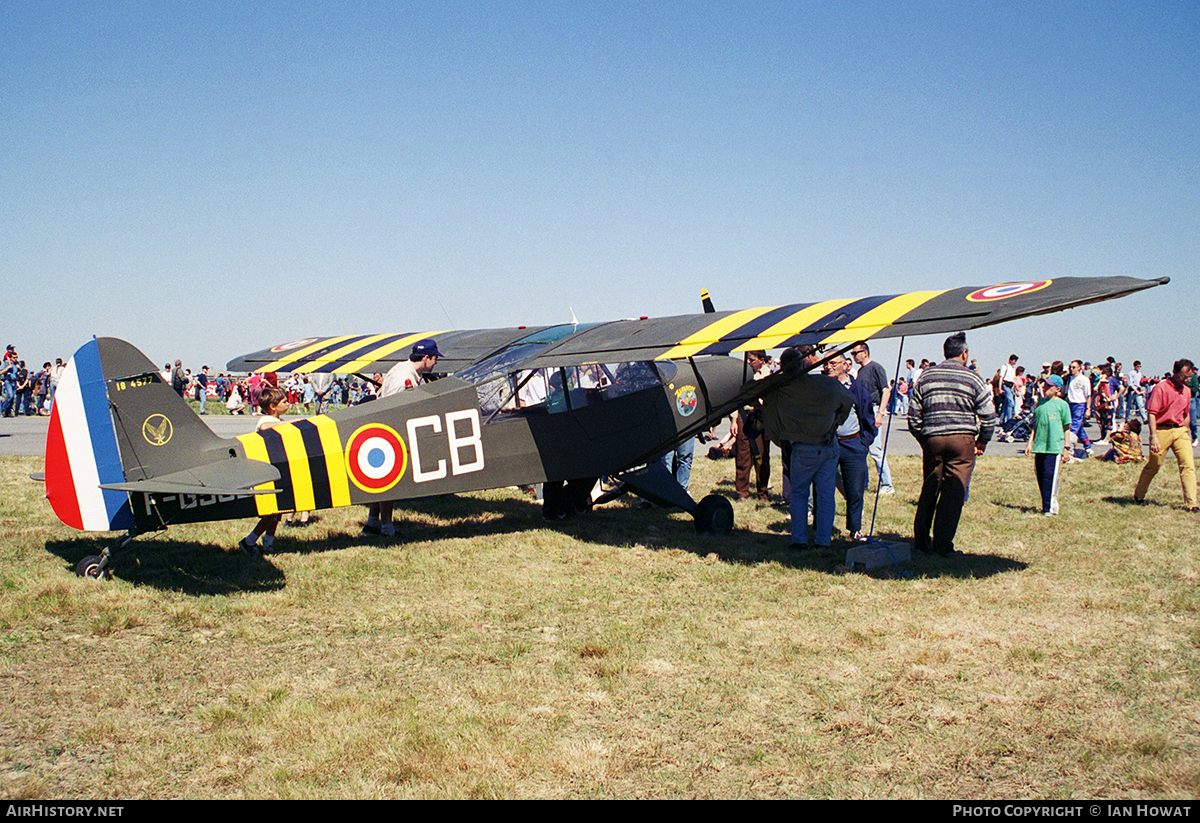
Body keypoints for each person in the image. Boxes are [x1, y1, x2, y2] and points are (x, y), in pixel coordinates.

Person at [907, 332, 996, 556]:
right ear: (964, 353)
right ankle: (943, 545)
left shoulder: (926, 376)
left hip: (933, 439)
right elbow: (989, 415)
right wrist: (982, 440)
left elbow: (914, 416)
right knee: (953, 491)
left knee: (930, 487)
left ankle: (920, 540)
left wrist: (924, 438)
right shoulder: (972, 378)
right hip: (962, 439)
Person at [762, 346, 854, 550]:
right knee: (826, 494)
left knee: (799, 494)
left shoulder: (782, 387)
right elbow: (848, 399)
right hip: (829, 444)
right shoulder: (826, 383)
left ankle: (799, 540)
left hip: (804, 447)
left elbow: (752, 392)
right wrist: (835, 423)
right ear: (803, 363)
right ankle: (823, 541)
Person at [364, 338, 442, 537]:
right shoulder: (404, 378)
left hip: (380, 430)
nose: (436, 363)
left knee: (380, 479)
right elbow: (394, 410)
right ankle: (387, 528)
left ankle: (373, 522)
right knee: (389, 480)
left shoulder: (401, 369)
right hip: (389, 432)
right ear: (426, 358)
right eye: (435, 359)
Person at [1133, 359, 1196, 511]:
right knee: (1155, 465)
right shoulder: (1160, 388)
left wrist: (1185, 431)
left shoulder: (1186, 390)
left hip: (1180, 430)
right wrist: (1153, 436)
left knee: (1188, 465)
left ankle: (1192, 504)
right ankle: (1139, 495)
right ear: (1174, 373)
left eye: (1188, 377)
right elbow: (1152, 413)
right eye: (1183, 376)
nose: (1186, 379)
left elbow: (1186, 413)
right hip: (1161, 430)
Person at [826, 353, 876, 540]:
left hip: (853, 445)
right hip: (828, 444)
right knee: (823, 489)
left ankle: (855, 529)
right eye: (826, 364)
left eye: (833, 363)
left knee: (855, 490)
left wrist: (864, 443)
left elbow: (868, 416)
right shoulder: (822, 387)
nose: (828, 367)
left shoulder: (858, 389)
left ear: (846, 365)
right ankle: (821, 529)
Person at [237, 386, 290, 554]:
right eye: (284, 402)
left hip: (277, 470)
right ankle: (249, 541)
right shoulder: (266, 421)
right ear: (273, 406)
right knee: (270, 513)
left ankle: (269, 543)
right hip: (267, 473)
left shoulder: (278, 422)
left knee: (277, 512)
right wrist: (289, 426)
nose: (288, 404)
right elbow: (265, 427)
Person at [850, 343, 894, 495]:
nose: (853, 357)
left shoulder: (876, 368)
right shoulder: (861, 371)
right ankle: (864, 483)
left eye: (855, 353)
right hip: (863, 411)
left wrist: (880, 413)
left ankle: (887, 485)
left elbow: (886, 391)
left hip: (874, 409)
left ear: (865, 352)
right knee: (863, 449)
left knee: (876, 449)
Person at [1024, 375, 1071, 515]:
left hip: (1053, 446)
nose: (1044, 388)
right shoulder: (1040, 404)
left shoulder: (1062, 405)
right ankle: (1047, 503)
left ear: (1057, 389)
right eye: (1044, 385)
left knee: (1049, 476)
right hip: (1040, 445)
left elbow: (1067, 427)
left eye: (1048, 386)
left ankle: (1049, 508)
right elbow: (1036, 425)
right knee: (1040, 475)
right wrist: (1030, 443)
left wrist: (1066, 447)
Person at [732, 350, 772, 501]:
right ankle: (742, 493)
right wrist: (735, 420)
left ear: (761, 360)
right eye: (748, 359)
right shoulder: (744, 375)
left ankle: (762, 492)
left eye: (752, 360)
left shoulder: (769, 375)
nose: (749, 362)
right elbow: (738, 398)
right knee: (742, 455)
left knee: (761, 456)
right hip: (745, 415)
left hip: (761, 416)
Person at [1065, 360, 1093, 458]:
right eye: (1070, 367)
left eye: (1074, 367)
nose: (1071, 369)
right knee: (1079, 427)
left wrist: (1088, 408)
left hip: (1080, 404)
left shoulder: (1084, 379)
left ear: (1079, 368)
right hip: (1071, 404)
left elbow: (1088, 395)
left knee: (1074, 426)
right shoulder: (1069, 379)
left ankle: (1069, 445)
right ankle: (1087, 446)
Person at [999, 354, 1019, 424]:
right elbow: (1001, 377)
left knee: (1007, 404)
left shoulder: (1013, 369)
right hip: (1006, 385)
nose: (1015, 362)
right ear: (1010, 360)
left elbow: (1014, 379)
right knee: (1011, 403)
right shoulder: (1005, 366)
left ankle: (1001, 420)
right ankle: (1009, 420)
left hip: (1011, 386)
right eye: (1014, 360)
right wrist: (1000, 388)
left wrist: (1017, 389)